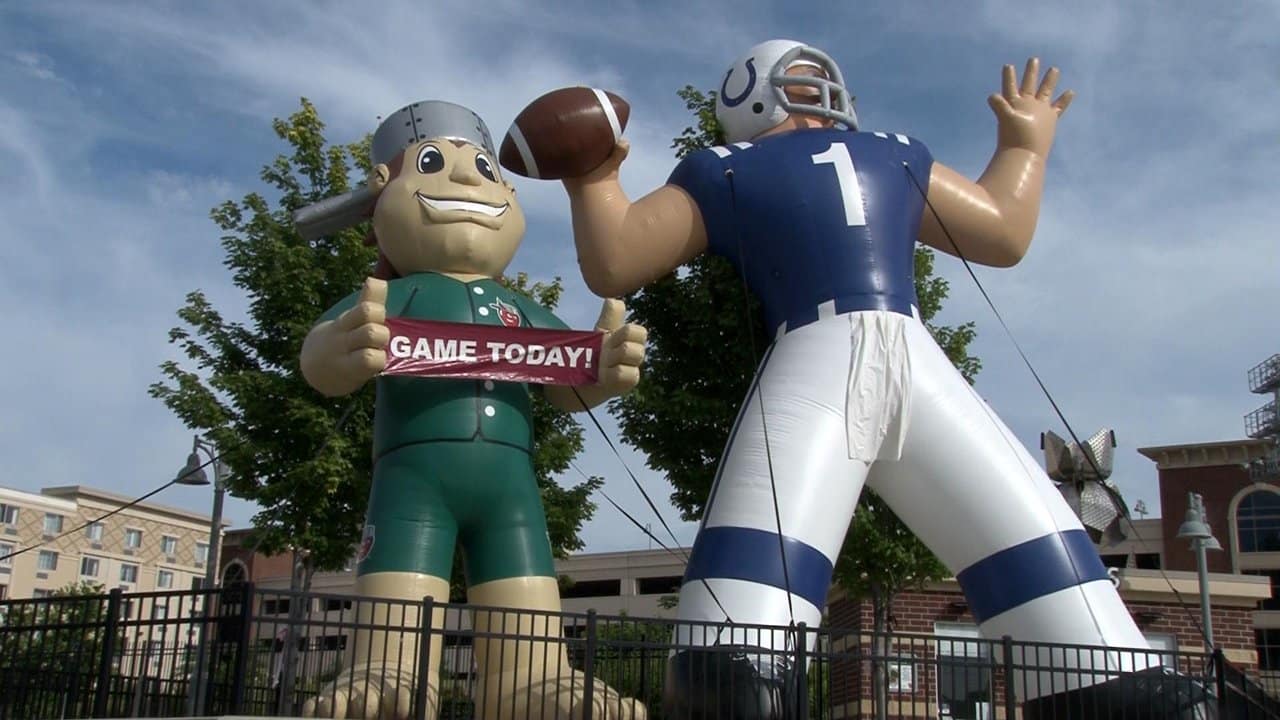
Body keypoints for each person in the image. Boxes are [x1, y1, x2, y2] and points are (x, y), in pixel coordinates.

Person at [553, 40, 1170, 718]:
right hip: (828, 361)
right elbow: (619, 260)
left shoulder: (853, 155)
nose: (818, 92)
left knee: (1088, 644)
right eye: (801, 79)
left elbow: (1000, 233)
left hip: (893, 361)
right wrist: (593, 178)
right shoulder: (743, 167)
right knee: (732, 663)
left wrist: (1024, 148)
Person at [296, 100, 648, 720]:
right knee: (398, 620)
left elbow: (563, 382)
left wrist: (602, 368)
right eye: (433, 164)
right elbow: (317, 361)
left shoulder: (517, 308)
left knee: (527, 619)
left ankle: (534, 686)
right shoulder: (395, 294)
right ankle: (390, 677)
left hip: (512, 485)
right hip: (412, 477)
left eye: (484, 170)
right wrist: (341, 346)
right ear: (383, 193)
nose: (465, 181)